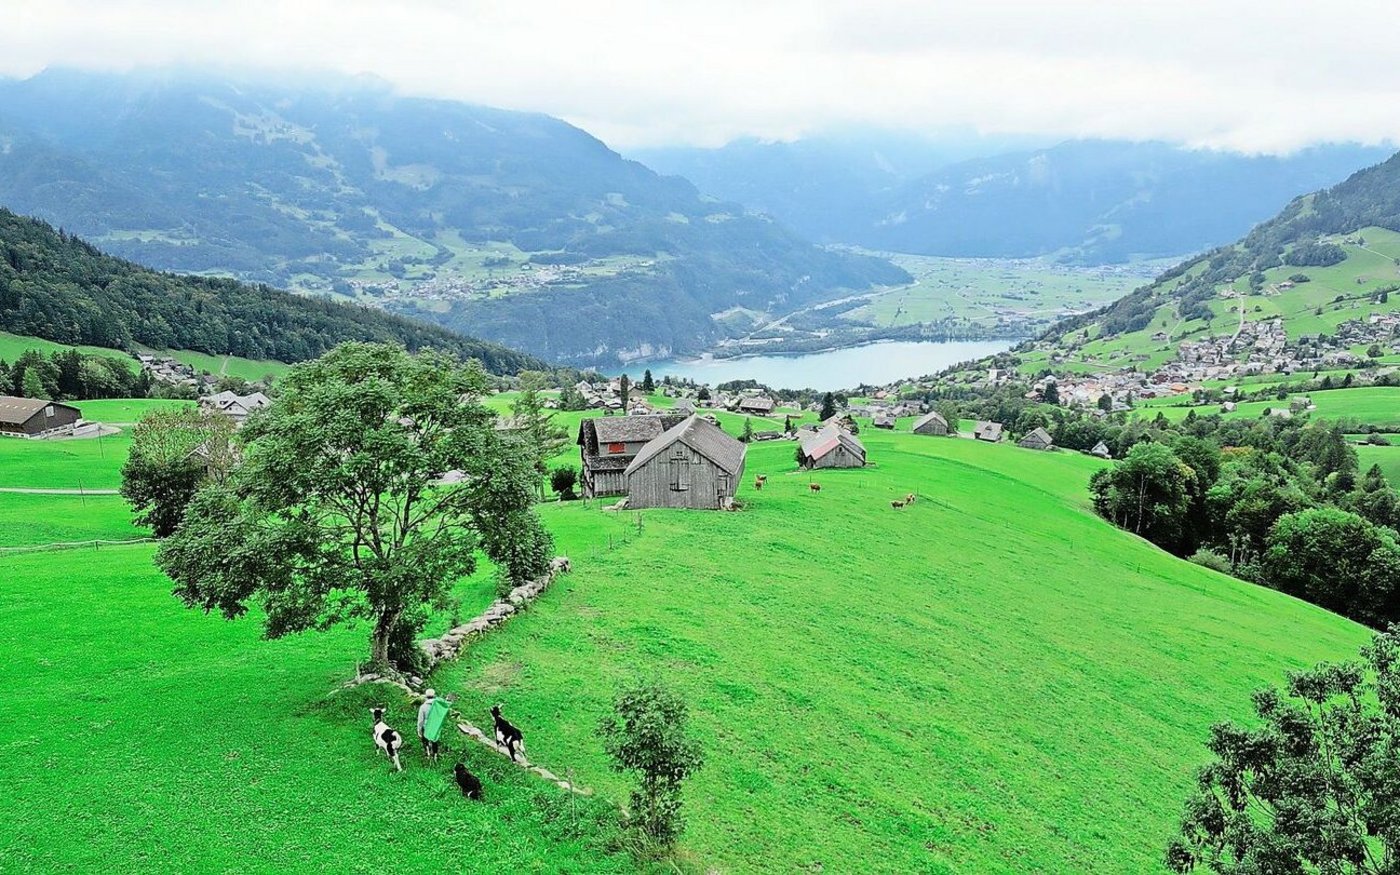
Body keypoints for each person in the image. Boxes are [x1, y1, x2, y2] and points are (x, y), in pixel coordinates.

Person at [418, 689, 441, 761]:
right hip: (435, 726)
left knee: (425, 740)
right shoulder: (437, 706)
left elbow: (420, 720)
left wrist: (419, 730)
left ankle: (428, 753)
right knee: (434, 741)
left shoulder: (423, 707)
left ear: (426, 696)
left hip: (426, 726)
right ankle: (435, 755)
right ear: (434, 696)